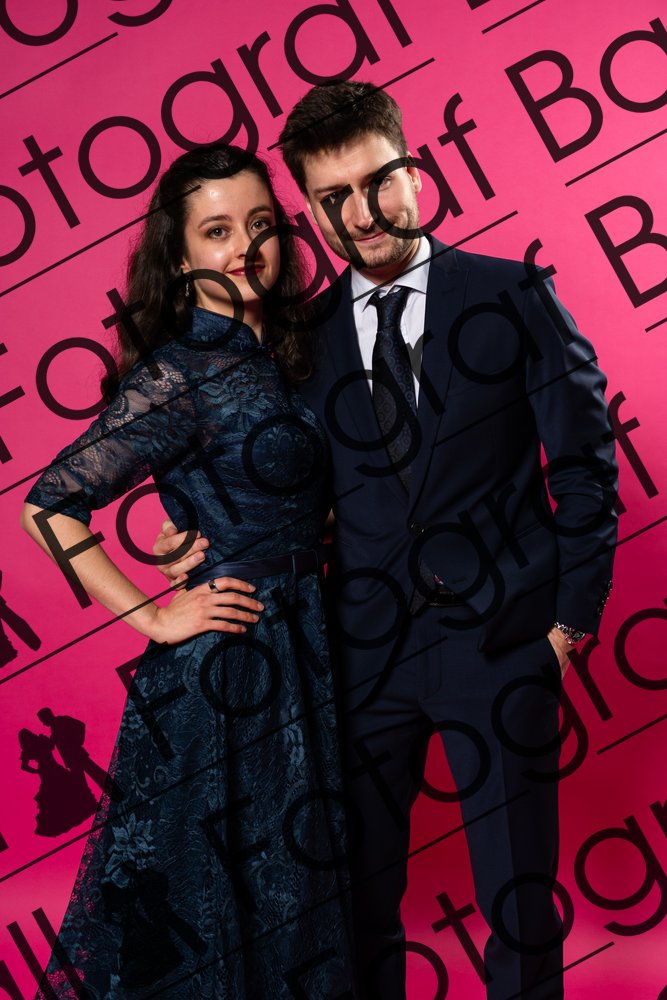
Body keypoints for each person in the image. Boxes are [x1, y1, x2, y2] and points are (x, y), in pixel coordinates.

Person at [157, 82, 618, 999]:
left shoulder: (510, 293)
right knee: (355, 908)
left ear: (414, 169)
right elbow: (269, 469)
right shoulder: (301, 337)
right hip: (361, 659)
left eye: (378, 183)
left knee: (518, 906)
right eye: (333, 198)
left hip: (502, 645)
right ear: (311, 208)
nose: (362, 214)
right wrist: (197, 533)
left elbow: (584, 468)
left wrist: (566, 629)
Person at [21, 143, 355, 998]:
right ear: (178, 256)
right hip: (228, 662)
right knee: (212, 908)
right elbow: (48, 506)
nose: (245, 247)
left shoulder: (295, 351)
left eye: (259, 225)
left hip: (311, 647)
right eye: (216, 231)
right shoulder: (180, 371)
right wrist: (155, 616)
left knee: (294, 898)